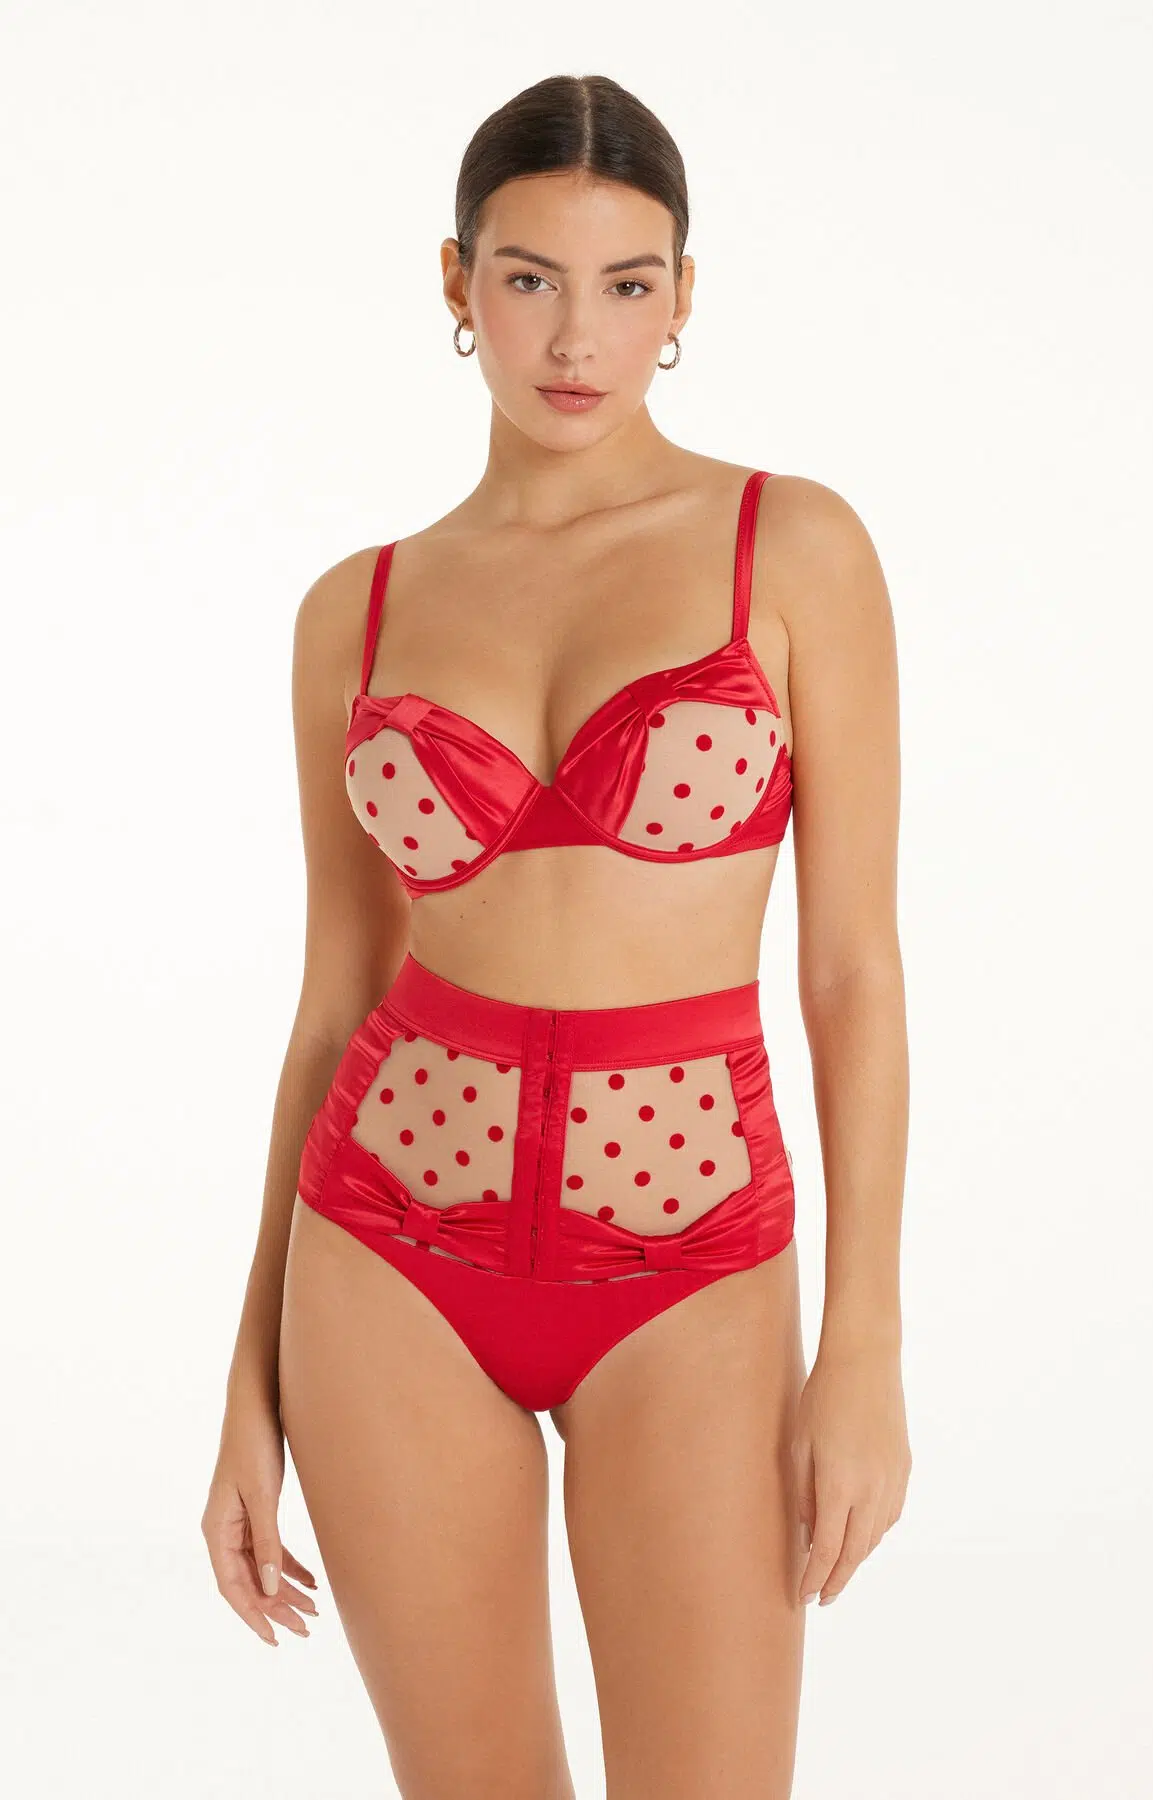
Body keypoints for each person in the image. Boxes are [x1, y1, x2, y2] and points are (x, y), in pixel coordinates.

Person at [202, 71, 911, 1800]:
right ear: (457, 285)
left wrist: (867, 1345)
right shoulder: (356, 609)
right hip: (384, 1258)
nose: (576, 338)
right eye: (528, 279)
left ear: (683, 297)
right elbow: (335, 1000)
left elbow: (850, 972)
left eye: (625, 283)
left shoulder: (789, 548)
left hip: (692, 1268)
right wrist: (245, 1380)